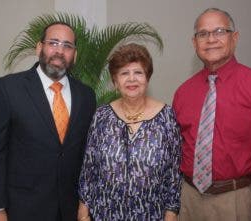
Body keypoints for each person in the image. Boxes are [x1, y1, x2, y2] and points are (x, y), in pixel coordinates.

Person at [173, 8, 251, 221]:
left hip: (237, 201)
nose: (211, 39)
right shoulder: (183, 93)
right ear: (194, 42)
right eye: (203, 34)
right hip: (188, 200)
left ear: (235, 38)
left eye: (220, 31)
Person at [0, 22, 96, 221]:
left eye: (67, 46)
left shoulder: (86, 96)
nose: (60, 51)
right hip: (21, 210)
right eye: (53, 43)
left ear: (75, 55)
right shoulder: (8, 89)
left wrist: (85, 204)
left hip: (70, 211)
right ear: (39, 47)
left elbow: (87, 155)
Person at [78, 43, 182, 221]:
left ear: (147, 78)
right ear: (115, 81)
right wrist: (83, 210)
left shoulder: (166, 117)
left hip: (151, 214)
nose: (131, 79)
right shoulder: (102, 116)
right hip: (105, 213)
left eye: (138, 72)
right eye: (124, 73)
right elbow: (89, 168)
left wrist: (171, 214)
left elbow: (173, 173)